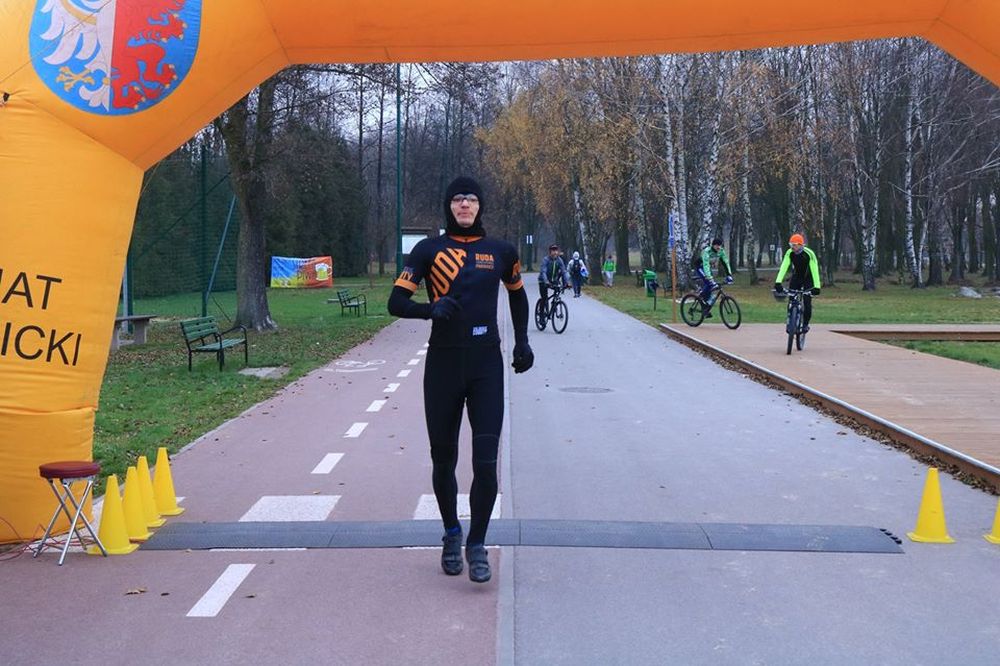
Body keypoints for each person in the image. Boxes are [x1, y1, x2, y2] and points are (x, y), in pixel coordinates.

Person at [388, 176, 534, 584]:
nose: (465, 205)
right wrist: (429, 309)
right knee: (443, 459)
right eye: (458, 199)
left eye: (471, 199)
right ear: (449, 206)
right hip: (444, 365)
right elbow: (395, 302)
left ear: (480, 205)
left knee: (485, 462)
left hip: (486, 364)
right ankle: (452, 533)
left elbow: (518, 294)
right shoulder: (428, 250)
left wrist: (523, 341)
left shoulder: (501, 251)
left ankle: (477, 543)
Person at [773, 233, 821, 332]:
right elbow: (784, 266)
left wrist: (817, 286)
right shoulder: (789, 253)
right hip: (797, 277)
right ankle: (790, 321)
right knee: (791, 299)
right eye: (791, 245)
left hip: (808, 279)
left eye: (794, 245)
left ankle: (805, 324)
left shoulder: (809, 254)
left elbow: (814, 270)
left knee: (807, 302)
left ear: (800, 245)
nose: (792, 247)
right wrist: (778, 282)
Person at [692, 237, 734, 318]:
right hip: (700, 267)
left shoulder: (721, 251)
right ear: (713, 245)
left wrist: (729, 275)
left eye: (720, 245)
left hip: (707, 268)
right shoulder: (707, 251)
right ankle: (702, 298)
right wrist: (709, 277)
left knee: (711, 286)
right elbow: (706, 265)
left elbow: (725, 262)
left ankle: (706, 305)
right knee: (709, 282)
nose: (719, 247)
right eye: (717, 245)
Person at [538, 244, 570, 313]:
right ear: (550, 252)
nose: (555, 252)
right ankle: (541, 315)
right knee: (544, 298)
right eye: (553, 250)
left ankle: (554, 304)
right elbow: (543, 272)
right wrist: (546, 281)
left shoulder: (559, 260)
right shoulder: (546, 260)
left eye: (556, 250)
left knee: (557, 291)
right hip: (543, 281)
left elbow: (564, 272)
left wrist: (567, 282)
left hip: (553, 280)